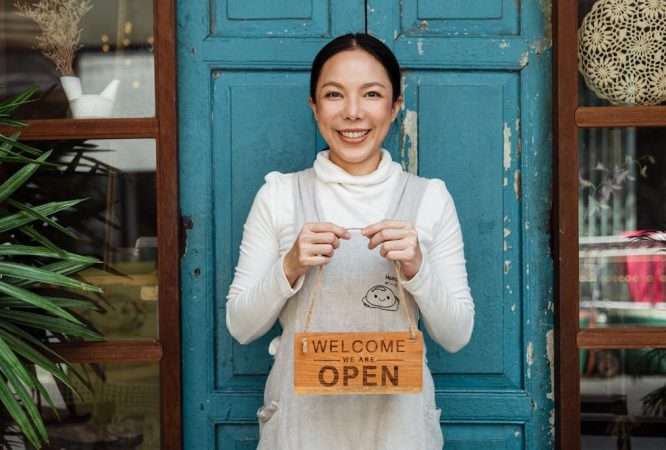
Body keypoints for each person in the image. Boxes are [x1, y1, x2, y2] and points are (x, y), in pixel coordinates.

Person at [226, 33, 475, 450]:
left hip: (400, 432)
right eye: (334, 95)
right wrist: (289, 267)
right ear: (315, 107)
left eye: (372, 94)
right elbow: (240, 326)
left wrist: (417, 268)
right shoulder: (280, 195)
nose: (353, 112)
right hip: (300, 432)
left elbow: (457, 335)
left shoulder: (429, 198)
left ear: (395, 107)